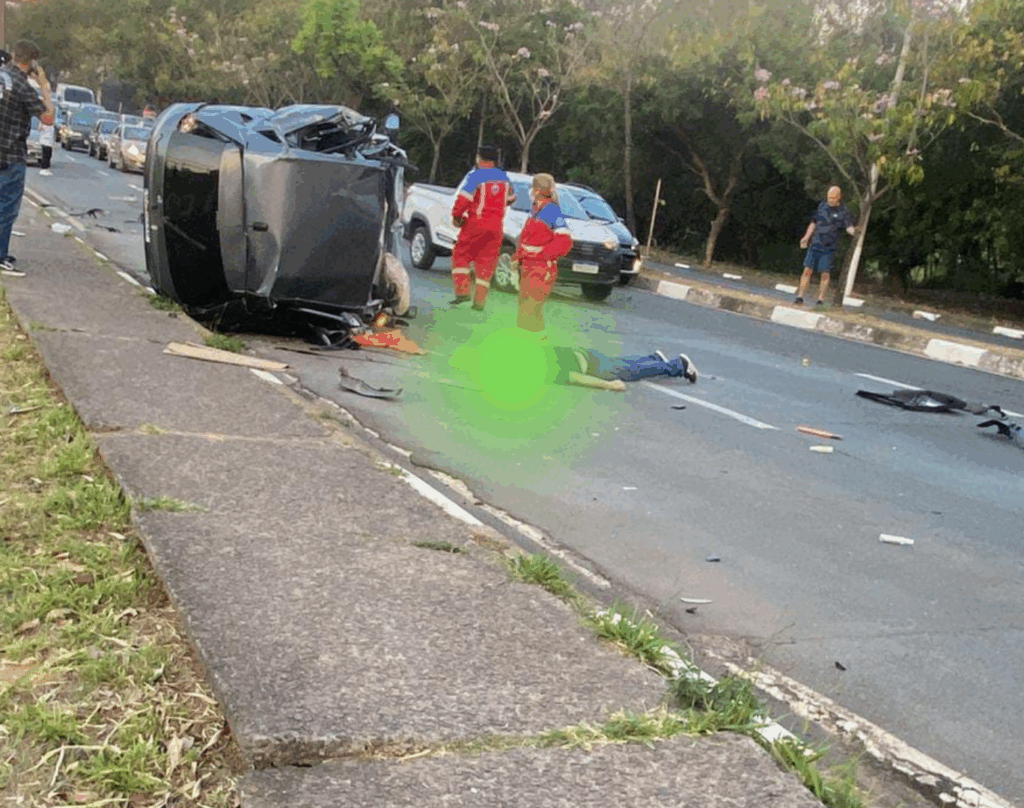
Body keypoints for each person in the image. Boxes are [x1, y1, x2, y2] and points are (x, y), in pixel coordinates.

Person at [0, 40, 54, 278]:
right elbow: (48, 118)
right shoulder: (23, 87)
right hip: (10, 155)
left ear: (13, 55)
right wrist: (45, 87)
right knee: (6, 209)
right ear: (31, 62)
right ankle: (0, 256)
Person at [450, 144, 516, 311]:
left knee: (461, 254)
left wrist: (457, 217)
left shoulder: (476, 176)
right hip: (496, 227)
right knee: (486, 261)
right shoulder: (505, 178)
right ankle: (479, 301)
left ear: (479, 158)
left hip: (475, 223)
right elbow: (511, 198)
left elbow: (462, 201)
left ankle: (462, 292)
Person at [513, 173, 572, 334]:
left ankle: (531, 347)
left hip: (541, 269)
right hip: (529, 267)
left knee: (531, 309)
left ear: (538, 190)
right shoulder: (535, 210)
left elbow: (564, 242)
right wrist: (517, 258)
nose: (530, 191)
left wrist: (542, 255)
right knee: (526, 308)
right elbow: (526, 238)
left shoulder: (551, 211)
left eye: (532, 187)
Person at [795, 185, 856, 306]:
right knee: (807, 270)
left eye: (833, 197)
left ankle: (820, 299)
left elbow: (848, 227)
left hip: (829, 247)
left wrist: (855, 233)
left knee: (825, 273)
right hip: (815, 243)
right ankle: (800, 297)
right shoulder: (822, 206)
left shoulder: (843, 211)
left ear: (838, 197)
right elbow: (814, 222)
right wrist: (806, 237)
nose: (830, 200)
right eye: (829, 197)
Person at [550, 347, 698, 391]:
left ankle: (678, 365)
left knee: (630, 371)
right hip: (581, 354)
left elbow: (575, 377)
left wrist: (609, 385)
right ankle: (654, 359)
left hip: (592, 368)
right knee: (622, 364)